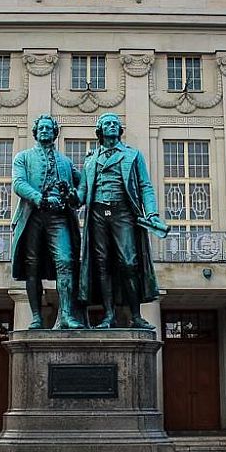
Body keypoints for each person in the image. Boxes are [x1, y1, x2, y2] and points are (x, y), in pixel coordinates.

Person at [77, 113, 168, 329]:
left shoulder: (132, 155)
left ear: (120, 130)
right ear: (100, 131)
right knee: (102, 264)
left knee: (128, 263)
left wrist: (152, 213)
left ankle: (136, 315)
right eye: (107, 124)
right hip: (98, 213)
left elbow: (145, 186)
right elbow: (82, 193)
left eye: (115, 124)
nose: (112, 126)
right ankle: (108, 315)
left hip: (123, 213)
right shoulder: (90, 160)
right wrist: (69, 196)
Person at [11, 114, 84, 330]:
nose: (44, 131)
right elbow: (19, 183)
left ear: (55, 133)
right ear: (35, 132)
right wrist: (39, 198)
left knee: (66, 261)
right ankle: (36, 316)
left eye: (48, 128)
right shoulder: (23, 157)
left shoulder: (66, 162)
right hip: (33, 216)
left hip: (59, 217)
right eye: (41, 128)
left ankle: (67, 316)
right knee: (32, 266)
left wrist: (70, 193)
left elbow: (83, 189)